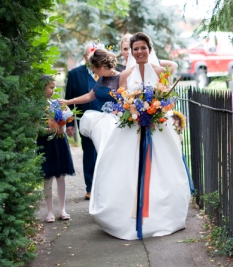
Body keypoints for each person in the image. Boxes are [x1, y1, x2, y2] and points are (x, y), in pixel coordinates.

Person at [65, 35, 190, 240]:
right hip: (132, 128)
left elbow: (166, 98)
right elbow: (122, 102)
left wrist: (154, 111)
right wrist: (134, 112)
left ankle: (161, 214)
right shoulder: (125, 75)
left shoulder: (161, 72)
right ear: (131, 52)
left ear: (150, 49)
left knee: (162, 170)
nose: (139, 52)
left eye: (143, 48)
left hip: (156, 127)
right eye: (135, 48)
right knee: (127, 170)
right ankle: (130, 214)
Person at [65, 42, 101, 200]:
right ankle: (90, 188)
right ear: (84, 57)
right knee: (89, 153)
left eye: (96, 55)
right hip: (85, 121)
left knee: (106, 153)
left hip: (105, 119)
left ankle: (105, 187)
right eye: (90, 55)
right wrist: (70, 123)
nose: (93, 58)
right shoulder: (74, 74)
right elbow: (69, 101)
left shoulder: (107, 73)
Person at [38, 75, 75, 222]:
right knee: (47, 176)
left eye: (54, 87)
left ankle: (62, 209)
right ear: (42, 88)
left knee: (61, 176)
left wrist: (63, 127)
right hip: (46, 141)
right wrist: (49, 129)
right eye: (50, 87)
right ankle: (50, 211)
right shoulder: (37, 106)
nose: (53, 90)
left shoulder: (57, 103)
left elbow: (66, 118)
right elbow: (35, 127)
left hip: (59, 141)